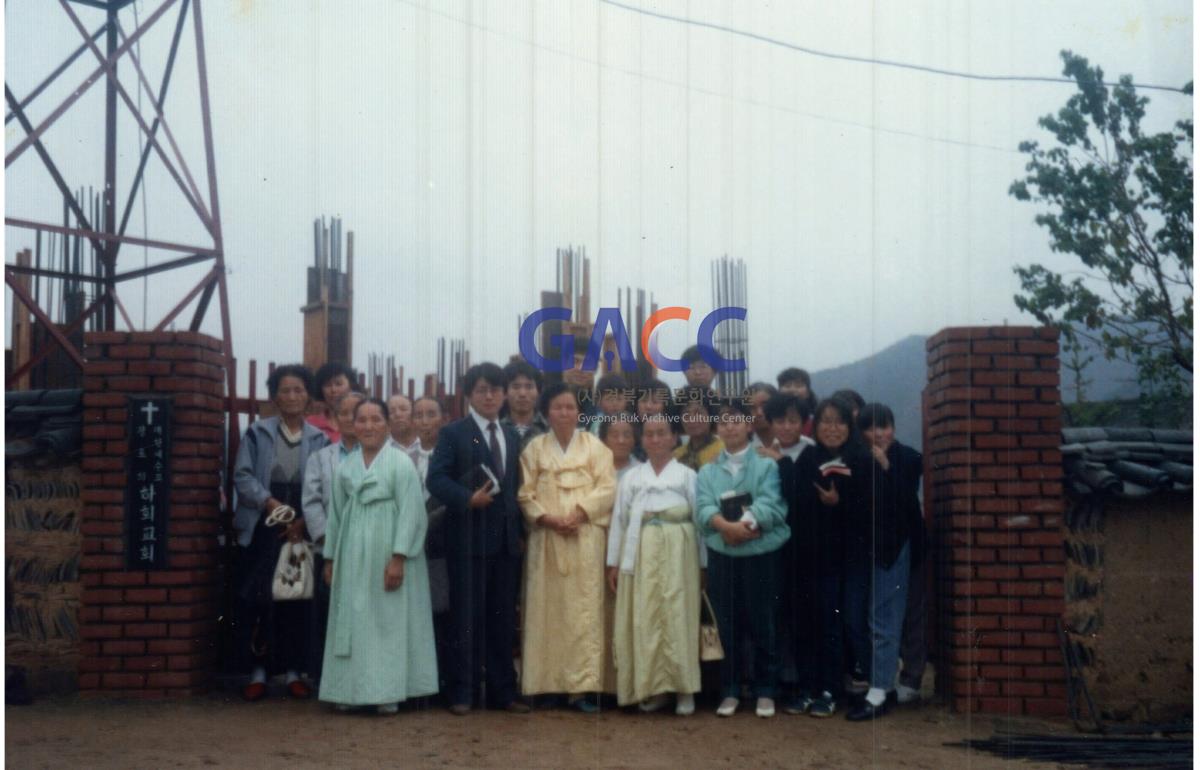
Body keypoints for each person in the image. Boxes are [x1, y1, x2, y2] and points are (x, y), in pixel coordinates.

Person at [319, 398, 438, 713]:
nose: (368, 426)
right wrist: (330, 558)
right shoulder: (345, 468)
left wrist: (399, 557)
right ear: (352, 425)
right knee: (355, 618)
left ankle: (386, 691)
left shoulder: (400, 464)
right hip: (352, 552)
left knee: (387, 620)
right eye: (362, 420)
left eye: (375, 420)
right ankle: (349, 690)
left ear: (387, 424)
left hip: (387, 550)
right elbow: (336, 516)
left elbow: (412, 513)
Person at [426, 364, 528, 716]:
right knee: (465, 620)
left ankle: (503, 693)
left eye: (496, 390)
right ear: (469, 394)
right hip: (467, 542)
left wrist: (520, 534)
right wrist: (467, 499)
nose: (490, 396)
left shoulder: (512, 435)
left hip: (505, 545)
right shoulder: (455, 433)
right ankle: (463, 692)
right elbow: (436, 480)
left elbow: (515, 489)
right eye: (483, 389)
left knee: (501, 621)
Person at [517, 382, 617, 710]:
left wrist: (578, 513)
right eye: (558, 407)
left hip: (584, 537)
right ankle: (547, 685)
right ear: (547, 412)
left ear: (579, 412)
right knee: (545, 611)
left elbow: (607, 488)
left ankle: (583, 688)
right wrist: (547, 518)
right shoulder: (533, 450)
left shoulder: (596, 448)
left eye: (570, 407)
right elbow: (524, 494)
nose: (564, 413)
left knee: (584, 612)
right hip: (547, 539)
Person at [233, 364, 329, 702]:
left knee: (297, 598)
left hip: (302, 526)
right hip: (264, 525)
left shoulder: (319, 439)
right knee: (261, 598)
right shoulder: (257, 433)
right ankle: (259, 672)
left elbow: (323, 485)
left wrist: (303, 520)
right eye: (285, 390)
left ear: (308, 397)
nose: (292, 396)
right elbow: (242, 477)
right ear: (275, 396)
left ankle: (293, 672)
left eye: (298, 390)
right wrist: (270, 503)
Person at [694, 399, 789, 719]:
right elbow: (703, 508)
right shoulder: (707, 471)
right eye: (723, 421)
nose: (729, 426)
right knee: (726, 623)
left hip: (761, 553)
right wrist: (726, 527)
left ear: (749, 425)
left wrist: (744, 525)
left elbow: (771, 504)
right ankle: (730, 690)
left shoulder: (766, 465)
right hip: (723, 553)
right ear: (716, 428)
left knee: (764, 622)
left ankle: (765, 690)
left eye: (736, 420)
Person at [605, 414, 703, 715]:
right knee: (646, 617)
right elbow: (619, 522)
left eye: (662, 433)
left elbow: (699, 523)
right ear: (642, 439)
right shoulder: (633, 478)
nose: (656, 439)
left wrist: (703, 565)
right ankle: (653, 687)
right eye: (649, 434)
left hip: (679, 550)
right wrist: (614, 563)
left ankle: (684, 689)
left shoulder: (688, 476)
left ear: (675, 438)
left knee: (678, 615)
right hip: (642, 551)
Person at [851, 403, 923, 718]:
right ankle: (882, 685)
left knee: (884, 619)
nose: (878, 434)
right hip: (866, 548)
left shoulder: (909, 458)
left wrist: (886, 467)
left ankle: (879, 691)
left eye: (884, 426)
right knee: (872, 617)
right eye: (870, 428)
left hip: (897, 548)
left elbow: (907, 505)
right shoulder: (857, 460)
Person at [301, 390, 366, 687]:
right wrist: (328, 538)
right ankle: (328, 680)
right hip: (331, 548)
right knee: (330, 614)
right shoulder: (320, 458)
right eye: (345, 414)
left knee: (364, 613)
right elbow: (312, 501)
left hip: (368, 548)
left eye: (358, 414)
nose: (352, 420)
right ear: (335, 419)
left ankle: (361, 677)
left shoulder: (381, 456)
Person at [500, 360, 548, 449]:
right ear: (505, 392)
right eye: (515, 387)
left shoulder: (551, 429)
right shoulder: (496, 430)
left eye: (529, 387)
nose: (522, 393)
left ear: (538, 392)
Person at [673, 397, 723, 471]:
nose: (692, 419)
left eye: (698, 413)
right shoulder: (675, 456)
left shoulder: (725, 451)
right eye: (686, 414)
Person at [310, 362, 356, 442]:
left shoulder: (362, 421)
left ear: (350, 386)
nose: (333, 390)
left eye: (338, 384)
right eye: (328, 385)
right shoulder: (311, 424)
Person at [600, 413, 642, 483]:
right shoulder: (592, 470)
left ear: (634, 440)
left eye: (627, 435)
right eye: (615, 435)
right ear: (604, 440)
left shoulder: (641, 472)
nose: (621, 441)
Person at [746, 382, 778, 449]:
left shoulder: (800, 443)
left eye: (765, 405)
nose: (759, 413)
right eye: (752, 407)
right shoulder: (740, 446)